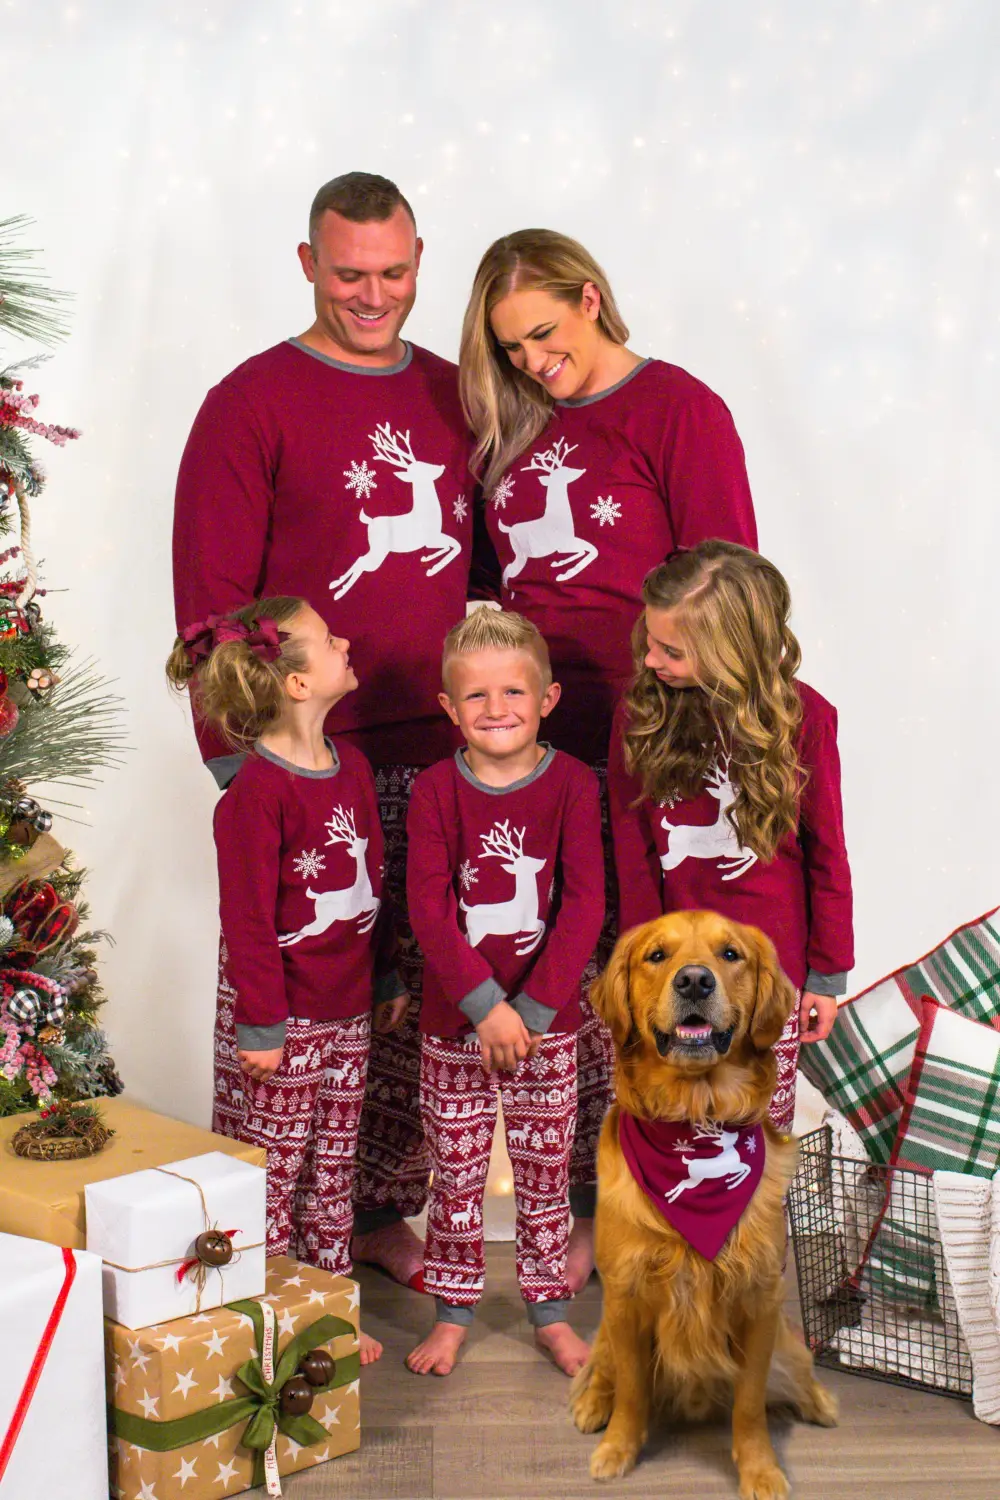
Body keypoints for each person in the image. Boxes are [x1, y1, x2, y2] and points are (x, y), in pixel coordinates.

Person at [174, 172, 485, 1290]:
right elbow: (211, 600)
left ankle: (377, 1211)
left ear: (420, 259)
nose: (373, 294)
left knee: (405, 1003)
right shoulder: (250, 403)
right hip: (307, 765)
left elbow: (489, 571)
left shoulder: (455, 395)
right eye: (349, 273)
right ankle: (260, 1231)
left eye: (393, 272)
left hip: (439, 757)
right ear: (308, 263)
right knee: (297, 1002)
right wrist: (241, 766)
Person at [458, 228, 758, 1286]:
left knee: (647, 975)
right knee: (571, 984)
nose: (532, 362)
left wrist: (707, 737)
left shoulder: (680, 410)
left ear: (591, 298)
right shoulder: (514, 426)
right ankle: (586, 1201)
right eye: (510, 349)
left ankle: (671, 1201)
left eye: (545, 334)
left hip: (652, 739)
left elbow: (728, 585)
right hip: (531, 747)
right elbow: (488, 584)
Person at [166, 597, 408, 1364]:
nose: (347, 641)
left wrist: (385, 976)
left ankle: (328, 1308)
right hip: (282, 1025)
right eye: (330, 639)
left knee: (334, 1169)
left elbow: (372, 884)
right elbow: (246, 923)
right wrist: (263, 1026)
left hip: (348, 1013)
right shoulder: (254, 796)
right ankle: (265, 1319)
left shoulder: (353, 768)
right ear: (298, 683)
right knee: (272, 1176)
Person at [404, 608, 604, 1377]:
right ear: (449, 708)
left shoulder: (573, 785)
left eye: (513, 692)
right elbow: (428, 910)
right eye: (477, 696)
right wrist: (485, 1007)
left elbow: (583, 905)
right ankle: (453, 1312)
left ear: (547, 699)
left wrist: (534, 1010)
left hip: (547, 1027)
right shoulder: (434, 791)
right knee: (456, 1177)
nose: (497, 709)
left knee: (546, 1173)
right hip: (455, 1025)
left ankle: (549, 1312)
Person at [607, 541, 854, 1132]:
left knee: (756, 1126)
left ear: (729, 650)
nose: (650, 659)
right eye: (649, 641)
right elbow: (633, 851)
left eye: (671, 651)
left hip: (767, 977)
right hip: (670, 972)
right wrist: (639, 961)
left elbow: (827, 853)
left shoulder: (806, 719)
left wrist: (826, 975)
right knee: (670, 1123)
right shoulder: (639, 716)